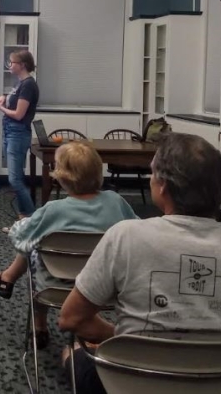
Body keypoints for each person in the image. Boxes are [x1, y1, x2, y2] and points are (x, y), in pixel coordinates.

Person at [59, 133, 221, 394]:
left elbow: (70, 319)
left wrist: (119, 339)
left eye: (152, 173)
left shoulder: (126, 236)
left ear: (163, 187)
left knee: (73, 352)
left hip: (131, 379)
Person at [0, 141, 138, 347]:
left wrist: (18, 225)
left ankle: (39, 325)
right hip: (105, 287)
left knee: (34, 248)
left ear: (61, 177)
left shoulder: (53, 210)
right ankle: (7, 279)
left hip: (54, 287)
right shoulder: (116, 201)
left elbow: (20, 238)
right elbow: (137, 232)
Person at [0, 50, 39, 227]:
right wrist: (6, 98)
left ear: (22, 65)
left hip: (17, 132)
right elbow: (16, 102)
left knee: (14, 179)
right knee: (17, 177)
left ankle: (32, 221)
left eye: (12, 62)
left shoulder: (28, 85)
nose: (10, 65)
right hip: (12, 132)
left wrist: (1, 108)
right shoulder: (21, 83)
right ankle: (23, 219)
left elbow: (19, 114)